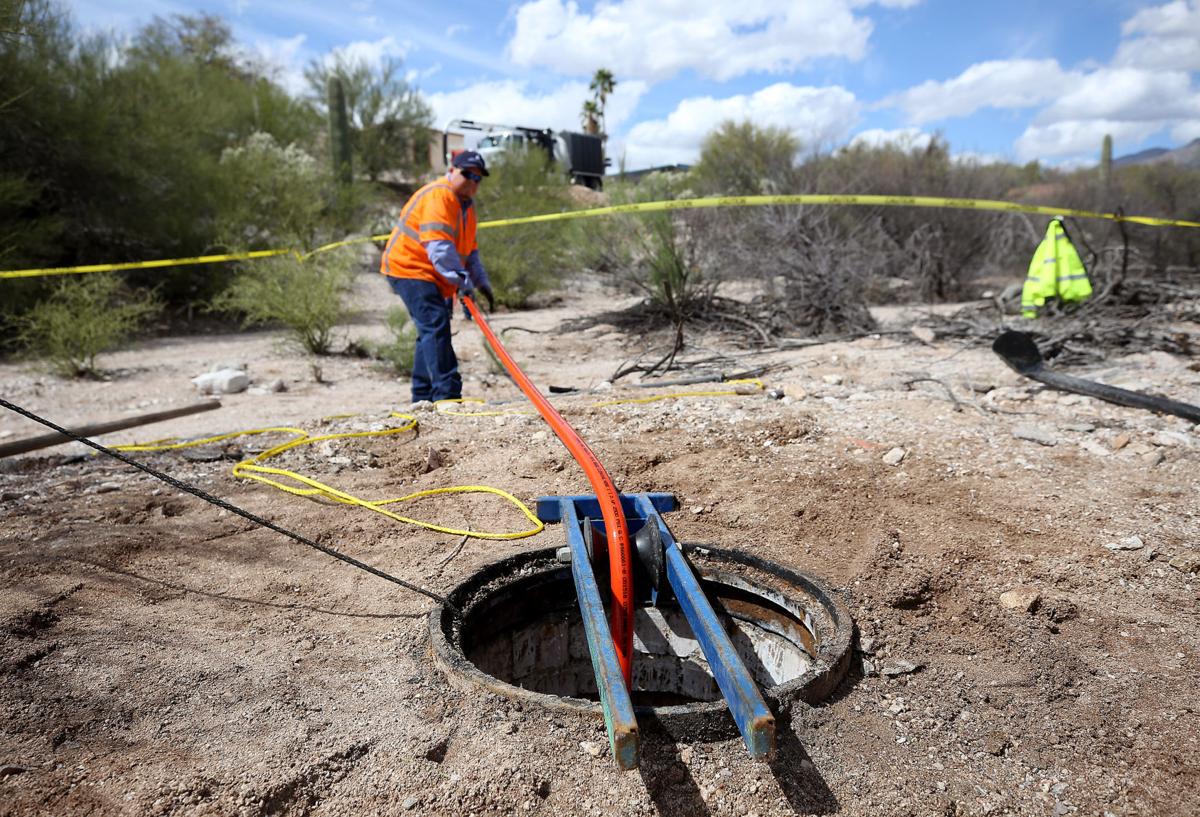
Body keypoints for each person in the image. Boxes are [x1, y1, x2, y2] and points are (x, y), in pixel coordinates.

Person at [380, 150, 496, 403]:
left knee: (431, 329)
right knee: (435, 325)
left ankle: (422, 398)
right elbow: (439, 247)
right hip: (410, 268)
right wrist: (463, 283)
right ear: (452, 170)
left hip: (433, 275)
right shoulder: (439, 196)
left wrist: (481, 282)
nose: (472, 181)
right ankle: (447, 396)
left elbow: (470, 251)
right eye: (467, 174)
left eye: (478, 178)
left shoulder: (466, 206)